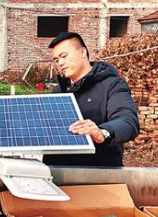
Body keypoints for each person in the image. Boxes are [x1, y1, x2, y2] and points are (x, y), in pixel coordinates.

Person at [42, 32, 139, 167]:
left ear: (83, 52)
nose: (60, 63)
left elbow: (128, 122)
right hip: (57, 172)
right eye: (56, 60)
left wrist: (102, 132)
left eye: (64, 56)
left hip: (99, 172)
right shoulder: (58, 91)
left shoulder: (112, 85)